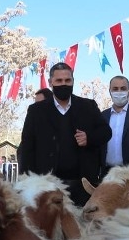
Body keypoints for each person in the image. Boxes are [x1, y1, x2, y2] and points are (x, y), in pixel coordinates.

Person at [18, 62, 112, 206]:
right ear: (51, 82)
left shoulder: (88, 106)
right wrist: (27, 181)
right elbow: (27, 147)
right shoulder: (36, 111)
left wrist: (89, 138)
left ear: (73, 81)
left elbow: (106, 132)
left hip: (82, 184)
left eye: (68, 80)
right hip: (47, 185)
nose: (64, 84)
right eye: (59, 81)